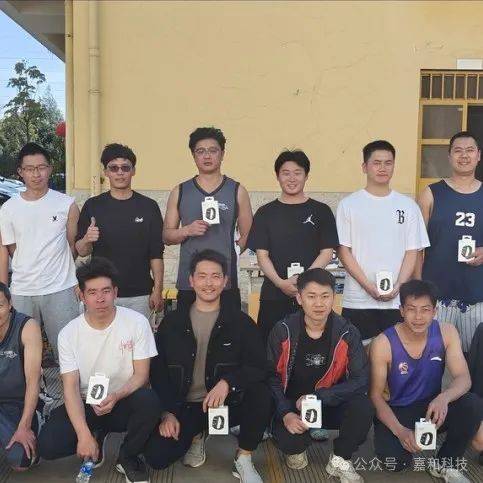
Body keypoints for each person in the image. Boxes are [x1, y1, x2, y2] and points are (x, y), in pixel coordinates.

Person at [145, 249, 271, 482]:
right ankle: (196, 434)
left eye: (215, 276)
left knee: (261, 393)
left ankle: (244, 456)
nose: (209, 283)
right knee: (157, 457)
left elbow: (258, 367)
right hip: (184, 407)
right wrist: (167, 412)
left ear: (225, 281)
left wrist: (228, 383)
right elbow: (158, 371)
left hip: (226, 404)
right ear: (191, 280)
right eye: (202, 276)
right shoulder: (172, 323)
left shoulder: (241, 323)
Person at [37, 257, 160, 483]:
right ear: (81, 296)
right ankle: (95, 435)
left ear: (115, 292)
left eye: (106, 291)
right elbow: (70, 387)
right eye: (92, 292)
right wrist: (83, 434)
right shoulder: (68, 334)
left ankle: (128, 456)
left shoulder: (137, 323)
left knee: (149, 401)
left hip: (123, 400)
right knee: (48, 446)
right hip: (87, 403)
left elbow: (142, 376)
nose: (100, 299)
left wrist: (117, 395)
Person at [370, 279, 483, 481]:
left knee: (471, 403)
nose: (418, 317)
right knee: (395, 463)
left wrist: (444, 398)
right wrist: (400, 431)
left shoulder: (447, 332)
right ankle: (403, 439)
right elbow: (375, 396)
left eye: (425, 310)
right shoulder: (383, 343)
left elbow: (463, 377)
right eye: (411, 309)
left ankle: (445, 462)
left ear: (435, 311)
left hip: (432, 407)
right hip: (399, 409)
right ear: (401, 310)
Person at [267, 268, 373, 481]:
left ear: (334, 297)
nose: (319, 303)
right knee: (291, 445)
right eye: (311, 296)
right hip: (292, 406)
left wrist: (319, 397)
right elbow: (270, 377)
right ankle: (296, 446)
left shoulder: (347, 332)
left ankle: (340, 458)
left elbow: (361, 380)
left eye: (325, 296)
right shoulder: (283, 330)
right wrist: (285, 413)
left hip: (329, 403)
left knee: (363, 406)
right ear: (299, 298)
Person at [336, 140, 429, 344]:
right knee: (358, 357)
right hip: (358, 301)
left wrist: (399, 286)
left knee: (396, 357)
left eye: (388, 163)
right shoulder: (348, 205)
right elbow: (343, 250)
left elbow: (413, 251)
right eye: (376, 163)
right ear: (364, 167)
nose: (382, 168)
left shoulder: (408, 206)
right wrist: (368, 286)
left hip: (397, 302)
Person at [247, 150, 339, 344]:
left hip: (312, 298)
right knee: (271, 349)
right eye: (285, 173)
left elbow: (326, 252)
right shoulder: (265, 213)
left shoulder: (321, 211)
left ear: (306, 176)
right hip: (273, 295)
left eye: (297, 173)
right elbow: (262, 255)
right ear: (277, 176)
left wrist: (304, 283)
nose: (292, 178)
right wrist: (280, 283)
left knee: (311, 349)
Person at [0, 142, 80, 358]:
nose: (36, 174)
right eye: (29, 168)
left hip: (61, 288)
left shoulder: (67, 204)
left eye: (41, 167)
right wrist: (3, 291)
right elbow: (9, 251)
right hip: (22, 290)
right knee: (21, 353)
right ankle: (34, 382)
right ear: (20, 172)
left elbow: (72, 247)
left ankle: (68, 383)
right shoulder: (8, 209)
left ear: (50, 169)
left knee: (68, 351)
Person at [163, 127, 253, 311]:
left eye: (213, 150)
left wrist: (232, 252)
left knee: (228, 329)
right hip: (190, 281)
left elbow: (248, 234)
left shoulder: (237, 190)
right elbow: (166, 236)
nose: (207, 156)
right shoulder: (180, 191)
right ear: (193, 155)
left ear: (222, 154)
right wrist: (187, 230)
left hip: (225, 281)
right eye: (200, 151)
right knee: (188, 329)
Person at [76, 143, 164, 319]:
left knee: (137, 337)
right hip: (102, 293)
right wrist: (87, 239)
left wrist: (158, 290)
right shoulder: (93, 205)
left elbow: (156, 254)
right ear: (106, 172)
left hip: (139, 294)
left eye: (125, 167)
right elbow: (81, 251)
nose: (120, 172)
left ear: (133, 171)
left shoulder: (149, 207)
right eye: (113, 168)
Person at [419, 131, 483, 353]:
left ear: (478, 156)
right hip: (437, 297)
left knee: (476, 361)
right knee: (433, 359)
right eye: (458, 151)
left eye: (470, 150)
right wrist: (418, 288)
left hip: (478, 298)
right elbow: (416, 247)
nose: (464, 156)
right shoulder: (431, 193)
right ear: (449, 156)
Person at [0, 283, 43, 471]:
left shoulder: (27, 326)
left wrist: (24, 427)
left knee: (21, 461)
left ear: (10, 304)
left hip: (19, 404)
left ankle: (38, 421)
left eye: (0, 305)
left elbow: (33, 382)